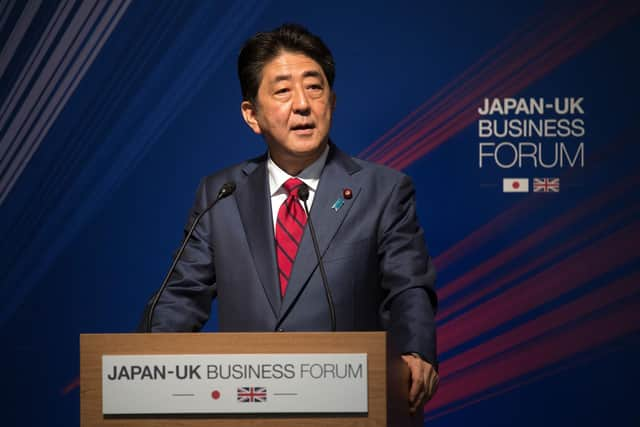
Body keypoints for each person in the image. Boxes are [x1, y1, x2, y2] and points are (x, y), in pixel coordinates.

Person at [142, 23, 439, 414]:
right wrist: (146, 362)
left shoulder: (384, 191)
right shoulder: (220, 194)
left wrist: (414, 350)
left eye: (314, 87)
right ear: (252, 115)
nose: (302, 104)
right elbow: (181, 295)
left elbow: (408, 288)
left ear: (331, 101)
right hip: (245, 408)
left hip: (350, 408)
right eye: (282, 90)